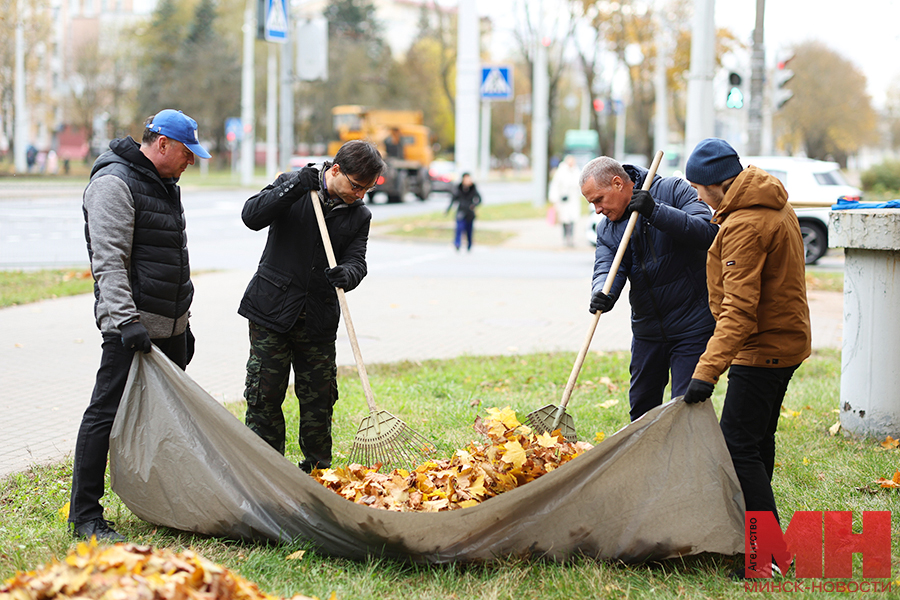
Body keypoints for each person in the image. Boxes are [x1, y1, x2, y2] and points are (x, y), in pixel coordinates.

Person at [71, 109, 210, 541]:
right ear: (163, 144)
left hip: (167, 326)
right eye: (188, 153)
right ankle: (86, 516)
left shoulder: (165, 184)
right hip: (130, 328)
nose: (192, 161)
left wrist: (181, 324)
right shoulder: (115, 183)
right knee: (104, 415)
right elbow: (108, 261)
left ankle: (163, 501)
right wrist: (126, 321)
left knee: (165, 420)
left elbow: (171, 257)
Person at [682, 139, 811, 565]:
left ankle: (768, 555)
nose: (699, 197)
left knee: (738, 444)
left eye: (701, 188)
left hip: (761, 350)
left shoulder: (745, 225)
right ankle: (756, 537)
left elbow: (739, 311)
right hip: (785, 342)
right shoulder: (772, 204)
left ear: (721, 183)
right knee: (756, 441)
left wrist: (705, 373)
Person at [239, 140, 385, 473]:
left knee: (319, 401)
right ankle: (266, 471)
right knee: (264, 395)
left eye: (368, 189)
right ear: (336, 171)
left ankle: (318, 471)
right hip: (271, 312)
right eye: (357, 186)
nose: (360, 194)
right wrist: (292, 187)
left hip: (318, 320)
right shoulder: (294, 186)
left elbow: (357, 261)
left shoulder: (359, 214)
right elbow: (251, 216)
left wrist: (347, 273)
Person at [581, 156, 718, 422]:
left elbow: (706, 234)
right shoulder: (607, 227)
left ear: (618, 183)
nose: (597, 209)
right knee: (641, 407)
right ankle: (645, 463)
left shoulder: (674, 190)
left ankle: (685, 462)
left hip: (692, 325)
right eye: (592, 204)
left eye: (598, 199)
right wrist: (602, 293)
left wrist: (654, 210)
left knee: (686, 407)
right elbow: (608, 267)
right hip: (648, 329)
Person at [548, 155, 584, 246]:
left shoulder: (576, 171)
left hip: (573, 199)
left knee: (572, 220)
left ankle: (571, 239)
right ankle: (565, 238)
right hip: (563, 200)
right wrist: (554, 198)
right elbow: (555, 185)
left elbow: (579, 185)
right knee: (564, 219)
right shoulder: (561, 171)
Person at [447, 172, 481, 251]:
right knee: (459, 228)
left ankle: (469, 244)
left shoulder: (473, 188)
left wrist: (474, 205)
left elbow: (479, 199)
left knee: (469, 230)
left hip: (469, 211)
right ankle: (457, 243)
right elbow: (453, 199)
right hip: (461, 211)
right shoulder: (459, 188)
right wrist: (447, 209)